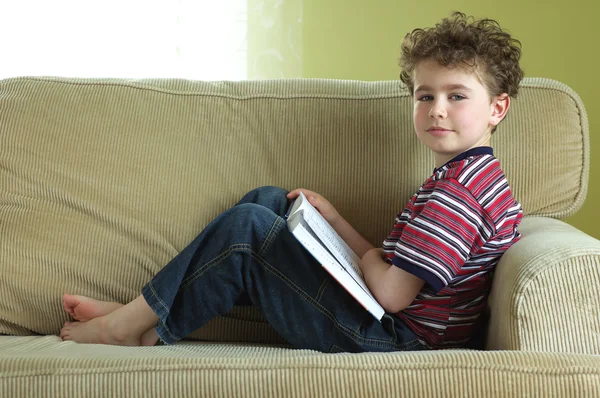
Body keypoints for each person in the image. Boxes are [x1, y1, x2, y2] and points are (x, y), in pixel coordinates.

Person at [60, 11, 524, 352]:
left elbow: (391, 294)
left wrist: (359, 254)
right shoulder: (466, 176)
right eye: (425, 96)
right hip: (384, 318)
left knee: (247, 228)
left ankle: (127, 324)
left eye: (456, 96)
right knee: (270, 201)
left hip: (389, 338)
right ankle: (143, 314)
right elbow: (394, 272)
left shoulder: (458, 194)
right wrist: (335, 221)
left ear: (497, 108)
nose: (436, 109)